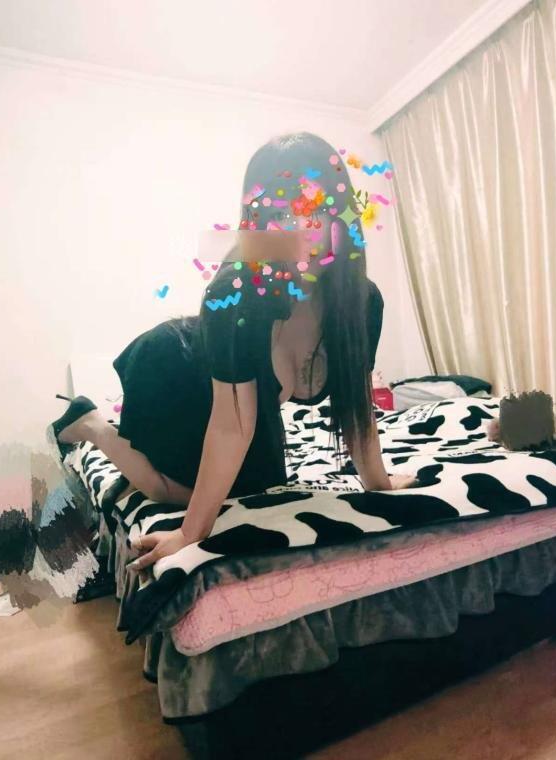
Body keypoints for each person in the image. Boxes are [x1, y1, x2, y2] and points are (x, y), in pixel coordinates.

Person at [50, 132, 416, 572]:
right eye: (277, 214)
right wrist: (191, 532)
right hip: (179, 372)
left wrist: (380, 485)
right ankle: (92, 424)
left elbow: (357, 406)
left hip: (243, 399)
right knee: (170, 491)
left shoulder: (361, 302)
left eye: (313, 209)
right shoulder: (237, 290)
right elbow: (230, 426)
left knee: (263, 484)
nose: (296, 230)